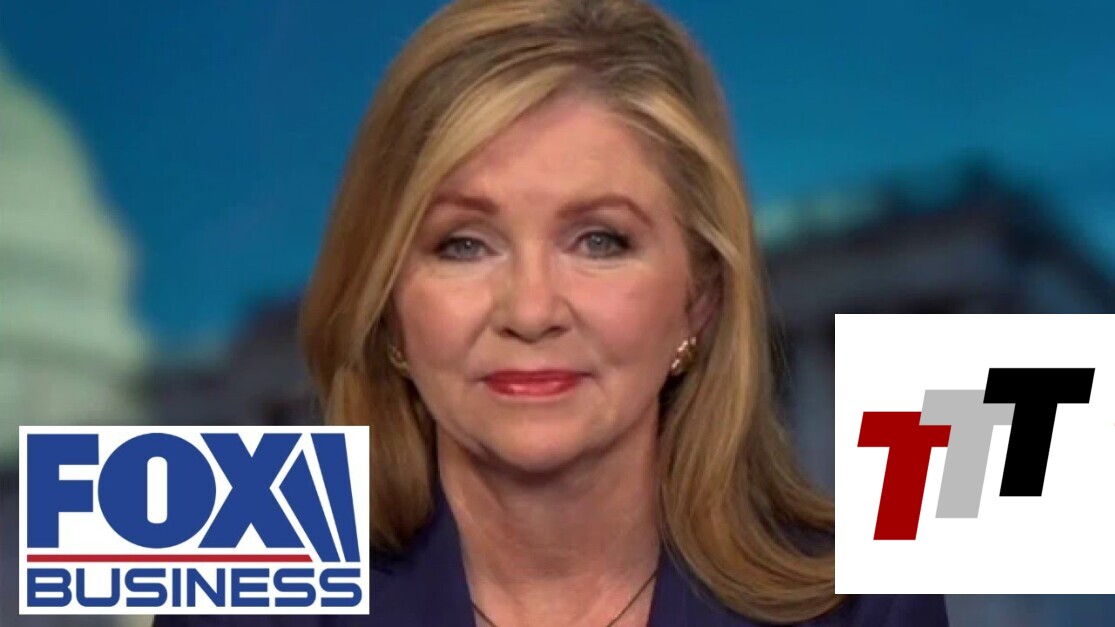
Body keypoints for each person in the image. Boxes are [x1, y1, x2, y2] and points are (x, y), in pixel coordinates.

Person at [156, 0, 949, 625]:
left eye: (600, 240)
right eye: (464, 244)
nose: (531, 310)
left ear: (699, 299)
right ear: (388, 305)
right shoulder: (236, 582)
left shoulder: (863, 603)